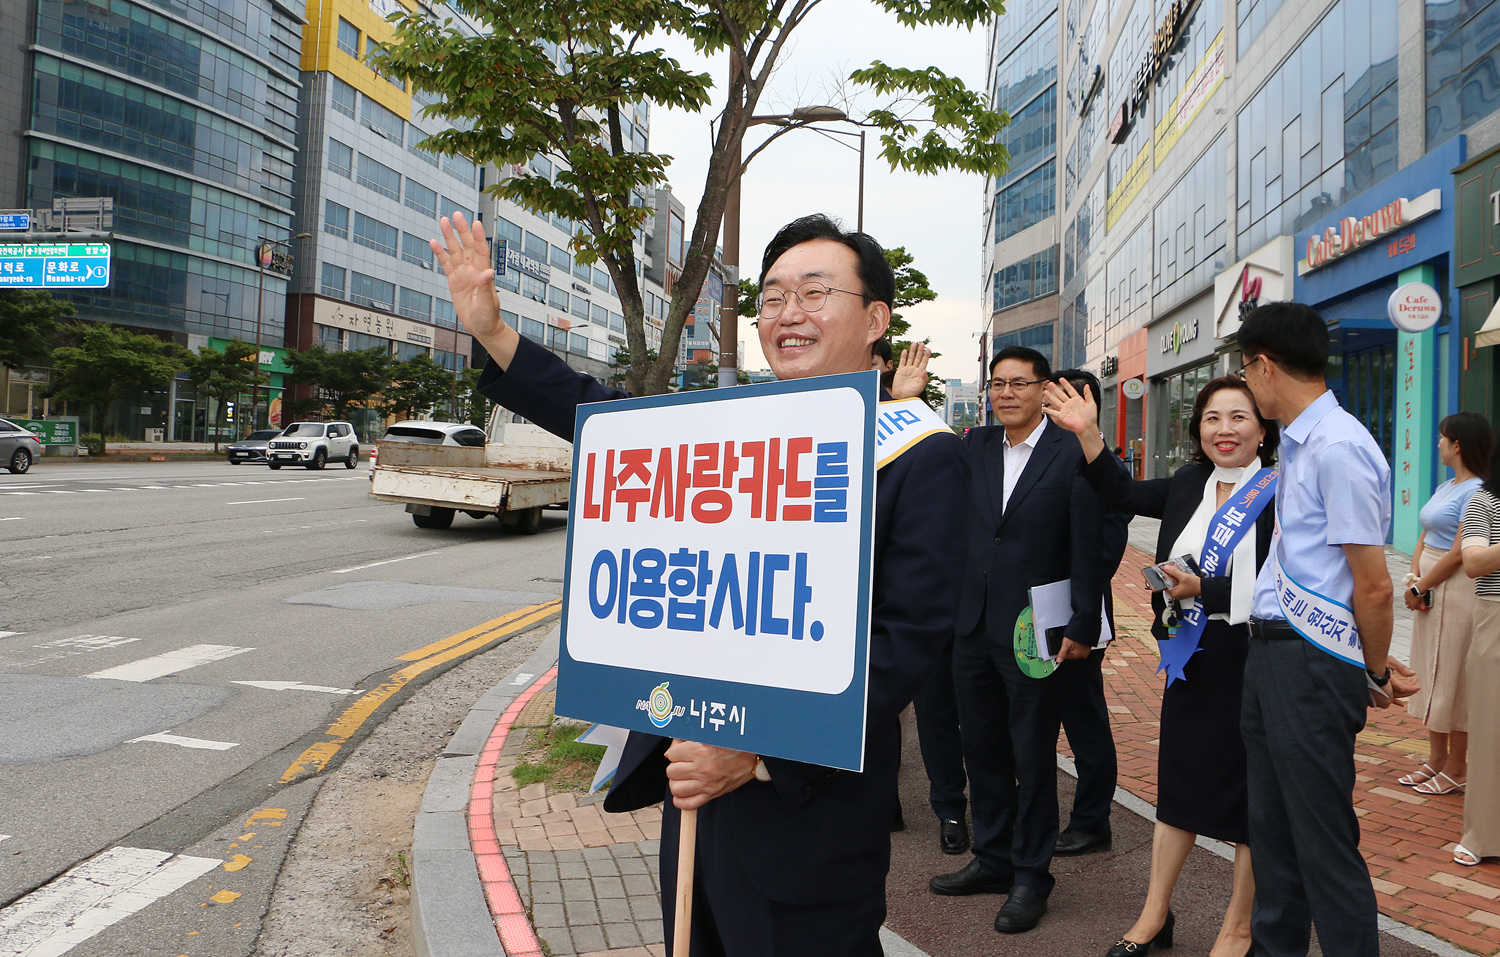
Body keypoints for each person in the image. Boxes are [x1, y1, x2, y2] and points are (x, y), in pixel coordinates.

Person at [430, 211, 969, 955]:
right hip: (695, 806)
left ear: (875, 318)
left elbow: (907, 644)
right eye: (773, 297)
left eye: (816, 293)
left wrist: (758, 753)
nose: (789, 314)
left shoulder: (919, 455)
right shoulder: (738, 430)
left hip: (804, 819)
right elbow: (608, 419)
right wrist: (493, 331)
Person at [1045, 374, 1280, 957]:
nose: (1224, 430)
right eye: (1211, 419)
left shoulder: (1284, 490)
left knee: (1254, 792)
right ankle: (1154, 914)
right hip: (1191, 657)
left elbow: (1288, 584)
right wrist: (1090, 435)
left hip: (1257, 658)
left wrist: (1209, 588)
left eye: (1238, 417)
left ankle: (1238, 927)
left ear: (1263, 428)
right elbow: (1122, 494)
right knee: (1178, 784)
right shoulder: (1189, 482)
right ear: (1197, 429)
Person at [1233, 301, 1417, 957]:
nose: (1245, 385)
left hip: (1308, 667)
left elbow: (1373, 582)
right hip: (1272, 659)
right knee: (1273, 832)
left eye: (1245, 370)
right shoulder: (1303, 443)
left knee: (1322, 843)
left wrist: (1371, 668)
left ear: (1264, 366)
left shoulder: (1338, 449)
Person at [930, 345, 1112, 934]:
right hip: (973, 627)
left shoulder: (1070, 451)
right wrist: (903, 399)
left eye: (1019, 383)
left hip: (1036, 629)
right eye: (997, 384)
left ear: (1043, 389)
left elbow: (1089, 539)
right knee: (980, 748)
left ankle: (1032, 875)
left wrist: (1084, 623)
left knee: (1032, 755)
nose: (1006, 393)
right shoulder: (974, 446)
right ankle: (994, 858)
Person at [886, 338, 971, 854]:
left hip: (923, 617)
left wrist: (907, 405)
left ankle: (950, 810)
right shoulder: (832, 431)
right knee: (878, 720)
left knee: (937, 715)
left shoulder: (919, 441)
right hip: (853, 614)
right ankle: (883, 802)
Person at [1050, 369, 1130, 859]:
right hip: (1027, 615)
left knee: (1084, 722)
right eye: (1051, 397)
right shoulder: (1035, 457)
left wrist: (1080, 610)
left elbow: (1105, 553)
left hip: (1078, 615)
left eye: (1067, 397)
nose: (1056, 407)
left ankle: (1092, 820)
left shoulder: (1104, 467)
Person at [1399, 414, 1493, 796]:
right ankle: (1436, 759)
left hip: (1456, 590)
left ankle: (1458, 766)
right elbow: (1425, 533)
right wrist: (1413, 578)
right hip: (1430, 588)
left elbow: (1458, 554)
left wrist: (1421, 585)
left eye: (1442, 438)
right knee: (1430, 670)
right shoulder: (1446, 485)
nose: (1437, 443)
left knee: (1453, 673)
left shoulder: (1478, 491)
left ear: (1458, 444)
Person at [1457, 435, 1500, 867]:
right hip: (1496, 618)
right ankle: (1484, 836)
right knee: (1490, 731)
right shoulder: (1484, 500)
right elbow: (1473, 562)